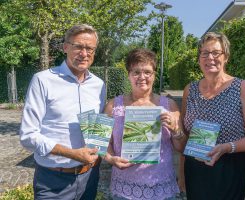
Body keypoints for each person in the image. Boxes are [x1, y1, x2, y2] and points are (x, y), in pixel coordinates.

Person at [19, 24, 106, 200]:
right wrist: (71, 153)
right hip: (53, 181)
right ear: (65, 47)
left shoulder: (99, 85)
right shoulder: (43, 80)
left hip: (89, 177)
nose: (84, 53)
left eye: (90, 48)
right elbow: (28, 136)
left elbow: (98, 127)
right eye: (78, 46)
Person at [180, 32, 245, 200]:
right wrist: (182, 174)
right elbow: (186, 135)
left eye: (215, 53)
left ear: (226, 57)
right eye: (204, 53)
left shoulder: (242, 88)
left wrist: (227, 147)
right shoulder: (189, 90)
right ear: (199, 58)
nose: (209, 57)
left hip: (229, 168)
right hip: (195, 169)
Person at [103, 48, 186, 200]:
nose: (142, 77)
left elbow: (181, 147)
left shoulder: (169, 105)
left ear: (154, 75)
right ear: (128, 74)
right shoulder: (113, 105)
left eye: (147, 72)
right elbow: (102, 143)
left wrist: (175, 130)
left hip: (161, 189)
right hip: (124, 189)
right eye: (136, 72)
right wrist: (111, 158)